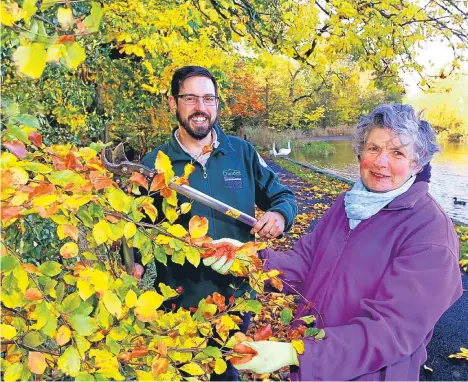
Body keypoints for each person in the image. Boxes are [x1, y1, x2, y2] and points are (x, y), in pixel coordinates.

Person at [231, 104, 463, 380]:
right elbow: (304, 262)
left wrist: (297, 353)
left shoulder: (430, 233)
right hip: (315, 365)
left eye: (397, 153)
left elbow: (391, 331)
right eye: (373, 148)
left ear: (417, 164)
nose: (381, 162)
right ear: (361, 152)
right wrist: (249, 260)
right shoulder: (348, 204)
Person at [141, 65, 298, 309]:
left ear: (217, 103)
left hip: (239, 298)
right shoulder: (153, 164)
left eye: (208, 99)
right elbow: (135, 229)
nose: (201, 108)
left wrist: (279, 215)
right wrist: (134, 262)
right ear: (173, 103)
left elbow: (283, 197)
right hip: (179, 306)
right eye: (190, 98)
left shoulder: (242, 152)